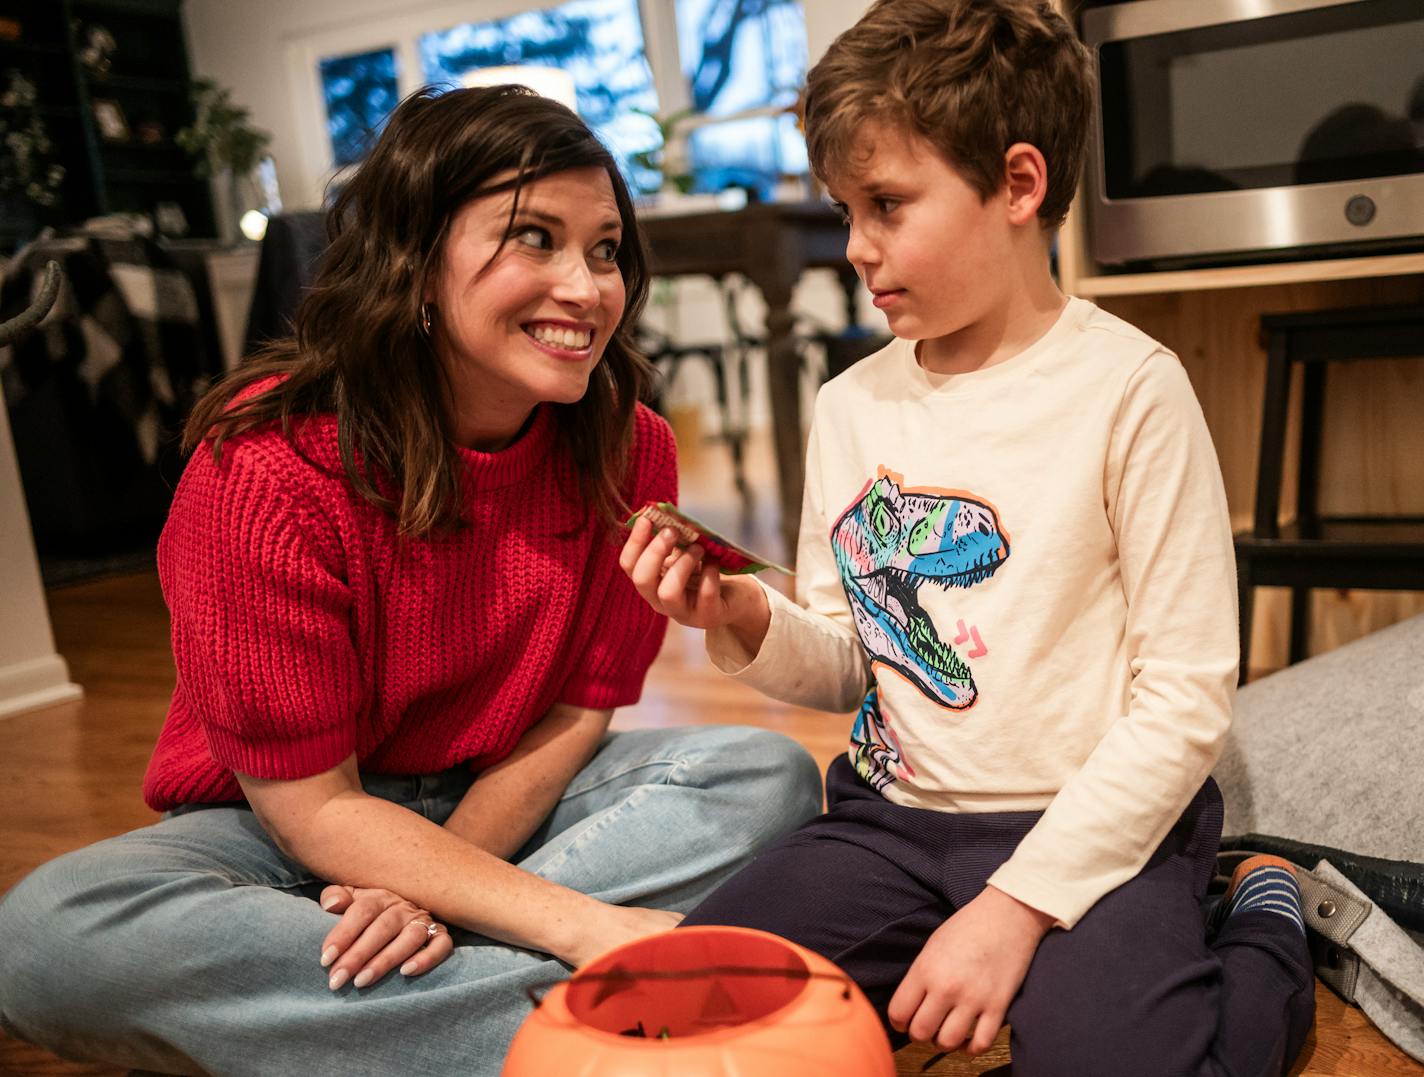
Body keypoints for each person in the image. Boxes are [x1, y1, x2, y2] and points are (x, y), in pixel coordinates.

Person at [0, 85, 821, 1076]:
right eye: (535, 239)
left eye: (603, 249)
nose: (588, 287)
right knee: (44, 937)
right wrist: (579, 927)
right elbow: (311, 811)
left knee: (762, 777)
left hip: (502, 797)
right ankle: (598, 1016)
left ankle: (391, 1020)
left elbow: (576, 708)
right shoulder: (262, 466)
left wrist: (429, 888)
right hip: (277, 830)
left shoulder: (628, 445)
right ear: (416, 263)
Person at [621, 2, 1316, 1073]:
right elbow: (858, 657)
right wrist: (745, 614)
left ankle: (1263, 923)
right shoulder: (850, 404)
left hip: (1093, 830)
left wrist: (1016, 910)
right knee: (683, 1013)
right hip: (888, 821)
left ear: (1018, 186)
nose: (854, 248)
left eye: (886, 206)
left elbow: (1181, 701)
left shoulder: (1130, 388)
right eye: (844, 210)